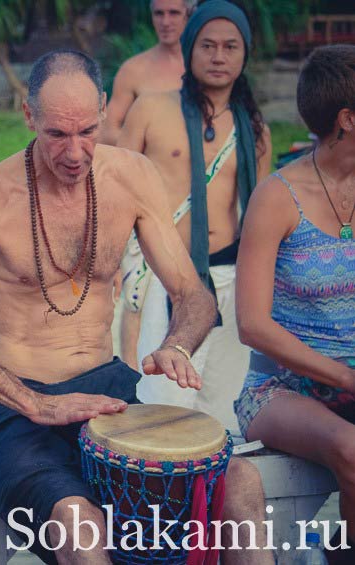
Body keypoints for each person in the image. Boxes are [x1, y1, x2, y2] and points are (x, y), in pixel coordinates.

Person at [0, 48, 271, 564]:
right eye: (56, 134)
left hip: (109, 394)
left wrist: (177, 344)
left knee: (240, 482)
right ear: (28, 116)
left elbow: (194, 294)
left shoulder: (132, 177)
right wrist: (36, 404)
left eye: (88, 132)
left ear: (103, 108)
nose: (75, 152)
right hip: (14, 410)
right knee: (79, 525)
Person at [117, 0, 271, 430]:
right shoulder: (150, 108)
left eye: (230, 46)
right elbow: (115, 190)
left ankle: (216, 496)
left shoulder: (255, 128)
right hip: (167, 274)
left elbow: (261, 214)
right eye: (207, 45)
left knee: (223, 407)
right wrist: (112, 264)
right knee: (159, 405)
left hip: (231, 275)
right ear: (189, 49)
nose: (218, 56)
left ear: (244, 54)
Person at [235, 44, 355, 555]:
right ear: (348, 119)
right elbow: (252, 325)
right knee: (351, 448)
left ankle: (334, 548)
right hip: (282, 388)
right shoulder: (277, 196)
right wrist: (346, 376)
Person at [101, 0, 194, 146]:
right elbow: (107, 130)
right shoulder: (133, 69)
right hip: (149, 164)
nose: (165, 22)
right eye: (159, 13)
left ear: (190, 14)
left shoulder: (208, 67)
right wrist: (150, 146)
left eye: (174, 13)